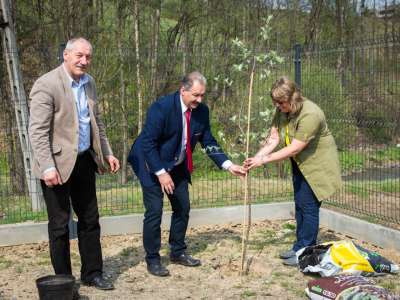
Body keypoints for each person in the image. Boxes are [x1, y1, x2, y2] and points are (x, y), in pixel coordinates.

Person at [128, 71, 246, 277]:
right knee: (154, 210)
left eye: (202, 96)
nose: (199, 100)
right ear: (183, 91)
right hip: (150, 161)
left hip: (177, 163)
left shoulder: (202, 112)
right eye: (195, 95)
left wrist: (228, 165)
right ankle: (153, 259)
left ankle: (177, 251)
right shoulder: (161, 108)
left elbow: (208, 141)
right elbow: (148, 143)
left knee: (182, 207)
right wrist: (161, 173)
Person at [29, 37, 120, 290]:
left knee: (90, 220)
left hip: (83, 161)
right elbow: (37, 131)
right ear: (66, 55)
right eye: (79, 55)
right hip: (55, 165)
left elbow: (96, 122)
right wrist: (47, 166)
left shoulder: (89, 83)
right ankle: (63, 281)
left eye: (88, 56)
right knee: (59, 226)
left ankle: (92, 273)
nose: (84, 61)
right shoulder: (46, 85)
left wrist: (108, 153)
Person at [244, 76, 342, 266]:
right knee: (300, 205)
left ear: (293, 98)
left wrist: (264, 160)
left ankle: (306, 252)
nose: (278, 106)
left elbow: (295, 148)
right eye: (275, 103)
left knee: (309, 207)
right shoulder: (282, 110)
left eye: (281, 103)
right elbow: (273, 139)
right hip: (300, 163)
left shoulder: (311, 114)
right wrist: (256, 157)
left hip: (317, 165)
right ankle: (300, 247)